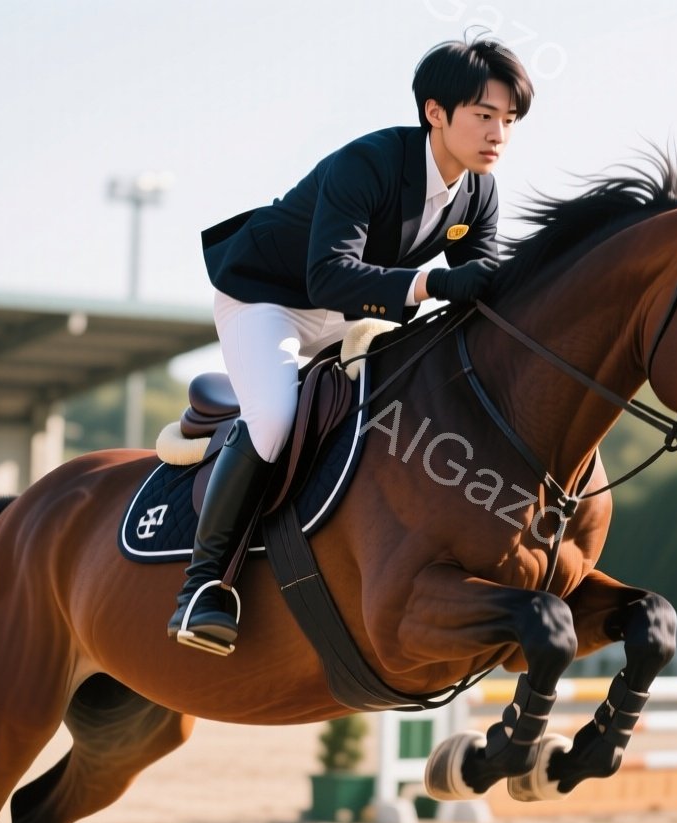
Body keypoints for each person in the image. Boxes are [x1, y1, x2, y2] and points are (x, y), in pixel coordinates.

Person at [169, 37, 534, 655]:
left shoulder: (479, 192)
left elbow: (483, 291)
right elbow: (329, 276)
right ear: (435, 113)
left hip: (349, 314)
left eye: (509, 120)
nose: (498, 133)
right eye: (484, 116)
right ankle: (204, 586)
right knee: (277, 417)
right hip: (270, 301)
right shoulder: (367, 163)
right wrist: (434, 281)